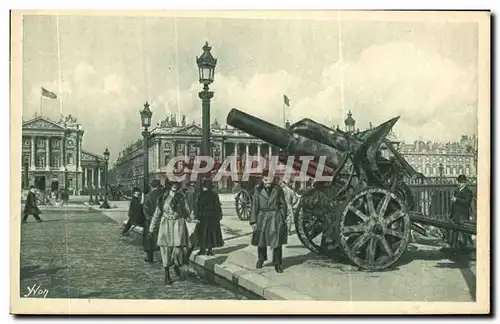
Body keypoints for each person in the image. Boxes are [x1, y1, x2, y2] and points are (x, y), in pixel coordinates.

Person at [149, 181, 192, 285]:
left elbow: (187, 211)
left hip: (178, 224)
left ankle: (176, 264)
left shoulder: (181, 198)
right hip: (166, 225)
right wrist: (152, 228)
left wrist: (188, 216)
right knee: (165, 250)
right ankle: (166, 274)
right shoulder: (163, 198)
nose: (174, 185)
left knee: (178, 249)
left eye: (176, 184)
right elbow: (157, 213)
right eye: (172, 184)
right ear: (169, 186)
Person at [250, 170, 288, 273]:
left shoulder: (278, 190)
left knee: (277, 242)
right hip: (261, 217)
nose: (268, 181)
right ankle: (261, 259)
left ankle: (277, 264)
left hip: (275, 217)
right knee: (261, 241)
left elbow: (283, 204)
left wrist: (281, 216)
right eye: (266, 179)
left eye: (270, 178)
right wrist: (253, 221)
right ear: (263, 179)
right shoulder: (258, 190)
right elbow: (254, 206)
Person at [194, 179, 224, 256]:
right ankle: (209, 250)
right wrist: (219, 215)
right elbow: (217, 206)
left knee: (202, 233)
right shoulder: (214, 195)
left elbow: (198, 207)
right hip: (212, 216)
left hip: (203, 216)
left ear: (204, 187)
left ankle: (202, 249)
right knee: (211, 234)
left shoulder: (201, 195)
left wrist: (196, 216)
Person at [450, 174, 474, 249]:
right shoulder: (456, 190)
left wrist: (456, 200)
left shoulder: (468, 191)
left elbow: (467, 202)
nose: (459, 183)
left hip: (462, 214)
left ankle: (465, 246)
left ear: (465, 183)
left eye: (461, 182)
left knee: (463, 231)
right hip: (455, 214)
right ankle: (454, 246)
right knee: (454, 231)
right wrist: (451, 213)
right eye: (459, 181)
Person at [142, 180, 164, 263]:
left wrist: (151, 219)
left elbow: (145, 211)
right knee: (163, 239)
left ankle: (150, 258)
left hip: (151, 221)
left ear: (152, 186)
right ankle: (164, 259)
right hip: (162, 220)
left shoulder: (148, 196)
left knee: (150, 240)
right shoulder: (164, 195)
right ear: (159, 186)